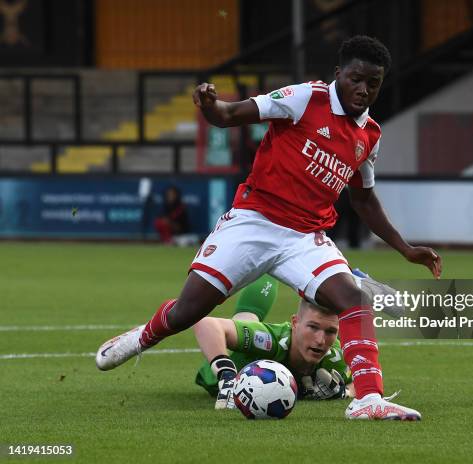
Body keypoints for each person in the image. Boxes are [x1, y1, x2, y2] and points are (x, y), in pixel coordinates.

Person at [96, 35, 442, 421]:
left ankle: (367, 399)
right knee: (187, 313)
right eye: (356, 79)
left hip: (305, 238)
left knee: (353, 299)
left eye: (373, 83)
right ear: (338, 74)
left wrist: (404, 247)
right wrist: (210, 105)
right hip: (254, 223)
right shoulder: (304, 99)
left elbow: (363, 199)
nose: (363, 90)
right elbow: (228, 116)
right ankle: (140, 338)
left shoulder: (368, 135)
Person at [194, 275, 354, 410]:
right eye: (313, 327)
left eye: (331, 331)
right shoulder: (274, 341)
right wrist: (227, 376)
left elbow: (361, 383)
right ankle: (267, 268)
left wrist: (344, 392)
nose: (320, 340)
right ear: (295, 323)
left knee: (247, 321)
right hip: (219, 377)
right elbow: (206, 324)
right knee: (245, 321)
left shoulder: (336, 356)